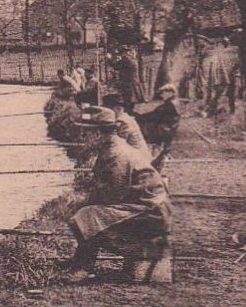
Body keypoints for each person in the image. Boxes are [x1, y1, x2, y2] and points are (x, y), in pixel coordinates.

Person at [64, 106, 173, 284]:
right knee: (87, 212)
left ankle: (84, 266)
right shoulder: (113, 148)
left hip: (150, 216)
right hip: (146, 211)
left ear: (98, 134)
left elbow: (113, 196)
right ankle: (138, 255)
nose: (82, 138)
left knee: (85, 216)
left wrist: (80, 202)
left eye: (86, 133)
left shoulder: (116, 155)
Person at [132, 83, 181, 169]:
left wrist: (138, 117)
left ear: (170, 93)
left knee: (147, 132)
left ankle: (154, 157)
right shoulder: (171, 103)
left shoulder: (169, 104)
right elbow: (156, 113)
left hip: (165, 128)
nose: (162, 95)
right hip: (169, 127)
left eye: (163, 92)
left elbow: (156, 115)